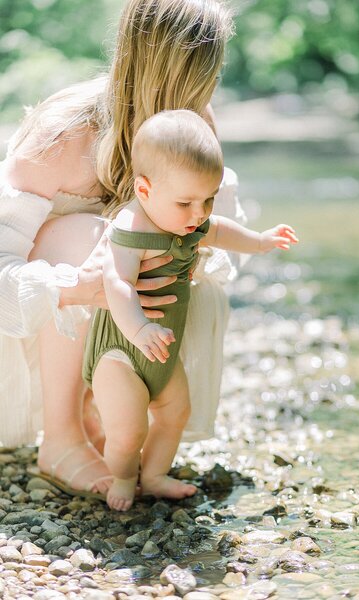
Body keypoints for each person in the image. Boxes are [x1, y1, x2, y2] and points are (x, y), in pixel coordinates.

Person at [0, 0, 246, 498]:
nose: (211, 89)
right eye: (207, 72)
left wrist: (191, 255)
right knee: (91, 237)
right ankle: (62, 435)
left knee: (159, 250)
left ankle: (106, 413)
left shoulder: (190, 122)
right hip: (35, 316)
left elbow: (221, 226)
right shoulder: (63, 135)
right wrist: (75, 288)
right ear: (177, 71)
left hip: (123, 312)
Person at [82, 109, 298, 511]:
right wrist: (140, 329)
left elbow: (221, 230)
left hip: (162, 352)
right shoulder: (134, 227)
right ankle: (125, 477)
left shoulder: (189, 219)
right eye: (186, 202)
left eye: (208, 199)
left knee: (175, 412)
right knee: (128, 432)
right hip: (121, 351)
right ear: (144, 191)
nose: (199, 213)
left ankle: (157, 474)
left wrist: (261, 240)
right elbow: (117, 284)